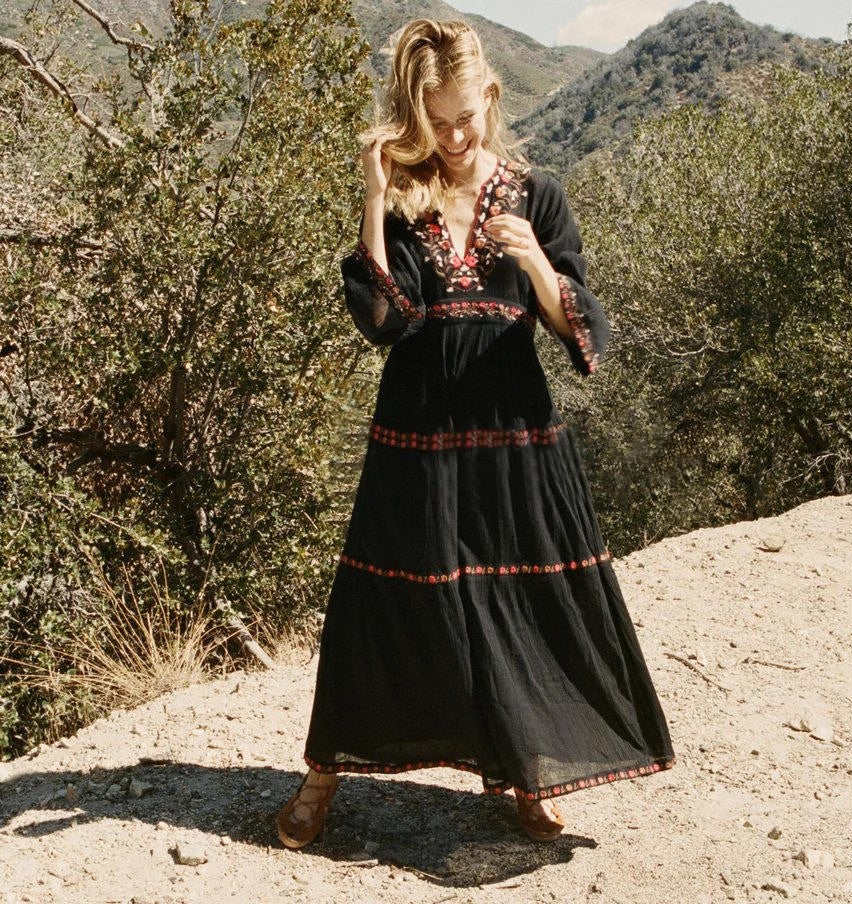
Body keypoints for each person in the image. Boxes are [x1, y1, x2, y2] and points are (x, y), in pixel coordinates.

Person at [276, 17, 675, 848]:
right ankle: (324, 773)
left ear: (490, 97)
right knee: (382, 598)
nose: (454, 138)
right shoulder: (410, 197)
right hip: (417, 426)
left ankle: (528, 777)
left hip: (512, 427)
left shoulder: (538, 194)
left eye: (465, 117)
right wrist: (377, 192)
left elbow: (582, 330)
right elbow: (385, 318)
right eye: (436, 122)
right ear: (414, 116)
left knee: (518, 598)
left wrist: (531, 259)